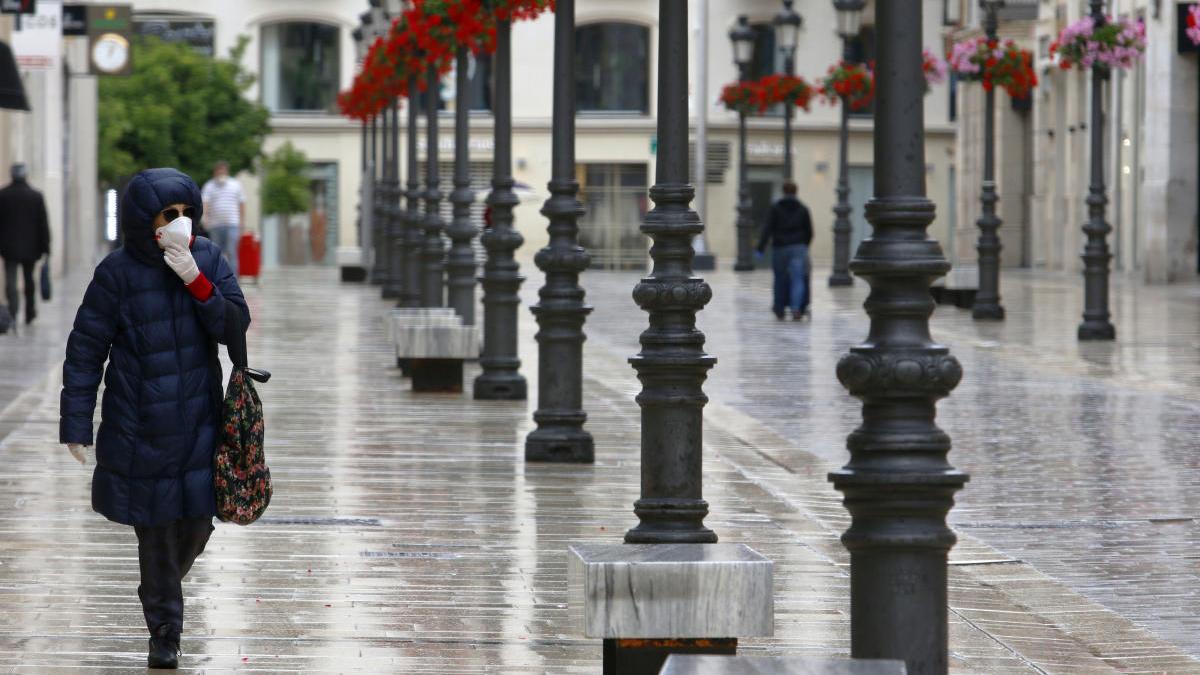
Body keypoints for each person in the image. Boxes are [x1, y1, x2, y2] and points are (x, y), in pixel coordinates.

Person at [60, 168, 250, 669]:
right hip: (138, 425)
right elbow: (85, 350)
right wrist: (75, 424)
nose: (181, 224)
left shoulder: (206, 257)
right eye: (171, 216)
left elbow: (235, 325)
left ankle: (158, 585)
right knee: (157, 528)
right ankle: (165, 631)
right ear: (145, 221)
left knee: (196, 526)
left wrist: (196, 278)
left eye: (189, 215)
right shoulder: (116, 273)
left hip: (200, 423)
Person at [0, 163, 50, 324]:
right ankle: (30, 311)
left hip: (9, 248)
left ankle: (13, 312)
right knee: (29, 280)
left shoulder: (3, 195)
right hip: (31, 248)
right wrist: (46, 248)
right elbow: (43, 224)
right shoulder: (36, 196)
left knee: (11, 282)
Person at [757, 181, 813, 321]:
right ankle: (796, 309)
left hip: (780, 247)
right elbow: (809, 231)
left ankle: (779, 308)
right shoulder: (803, 208)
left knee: (779, 278)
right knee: (798, 278)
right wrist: (803, 245)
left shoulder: (775, 208)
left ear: (783, 191)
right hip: (798, 247)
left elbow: (767, 228)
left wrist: (760, 248)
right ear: (796, 191)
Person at [201, 160, 245, 277]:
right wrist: (204, 217)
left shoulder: (235, 185)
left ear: (227, 171)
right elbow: (205, 202)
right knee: (216, 253)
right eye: (218, 170)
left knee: (231, 252)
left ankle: (234, 279)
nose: (221, 172)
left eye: (223, 170)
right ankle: (217, 278)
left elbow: (241, 204)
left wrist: (242, 223)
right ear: (215, 172)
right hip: (215, 225)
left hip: (232, 224)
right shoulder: (209, 186)